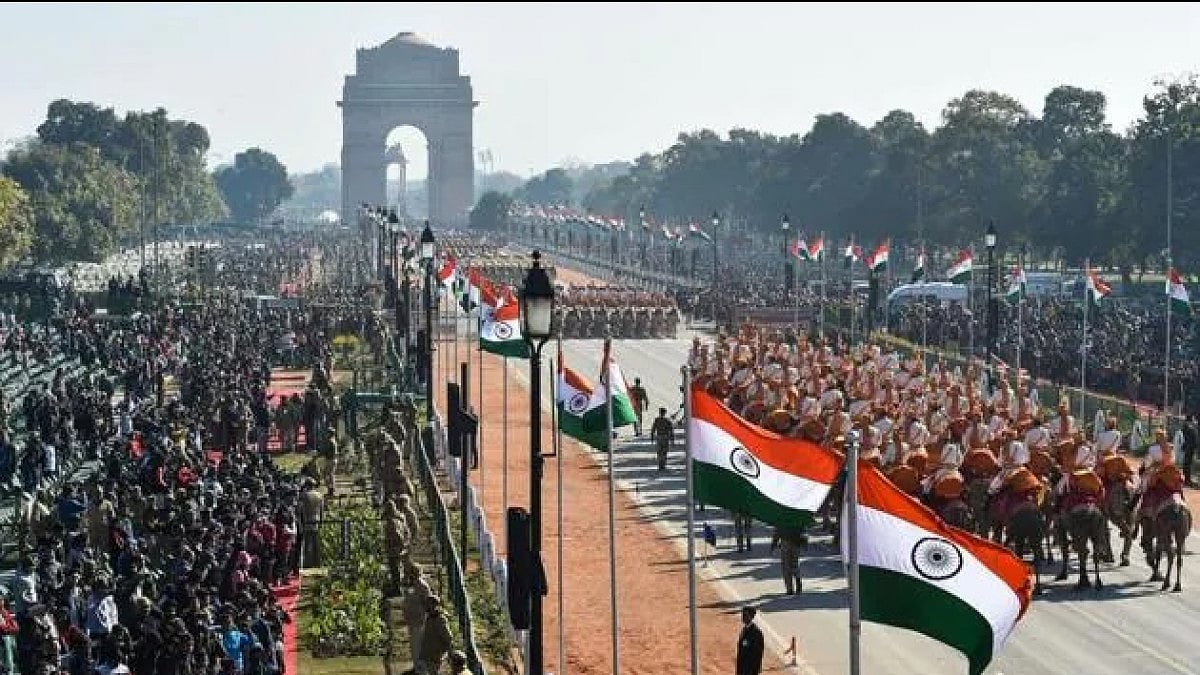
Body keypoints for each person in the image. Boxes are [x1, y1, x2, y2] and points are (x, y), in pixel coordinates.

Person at [736, 606, 764, 675]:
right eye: (742, 615)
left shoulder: (756, 633)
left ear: (751, 617)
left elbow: (758, 654)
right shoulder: (745, 629)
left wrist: (754, 670)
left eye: (745, 615)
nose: (742, 617)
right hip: (742, 667)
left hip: (750, 669)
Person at [650, 407, 674, 472]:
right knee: (664, 452)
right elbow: (671, 430)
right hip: (665, 437)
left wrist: (652, 437)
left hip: (659, 437)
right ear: (665, 413)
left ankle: (660, 465)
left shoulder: (657, 420)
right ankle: (663, 465)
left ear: (660, 412)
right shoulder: (668, 420)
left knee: (659, 452)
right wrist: (672, 440)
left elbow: (653, 429)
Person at [1182, 414, 1198, 487]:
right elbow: (1194, 439)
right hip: (1190, 448)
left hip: (1187, 448)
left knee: (1187, 464)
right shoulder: (1191, 429)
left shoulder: (1186, 427)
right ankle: (1187, 480)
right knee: (1188, 464)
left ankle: (1187, 480)